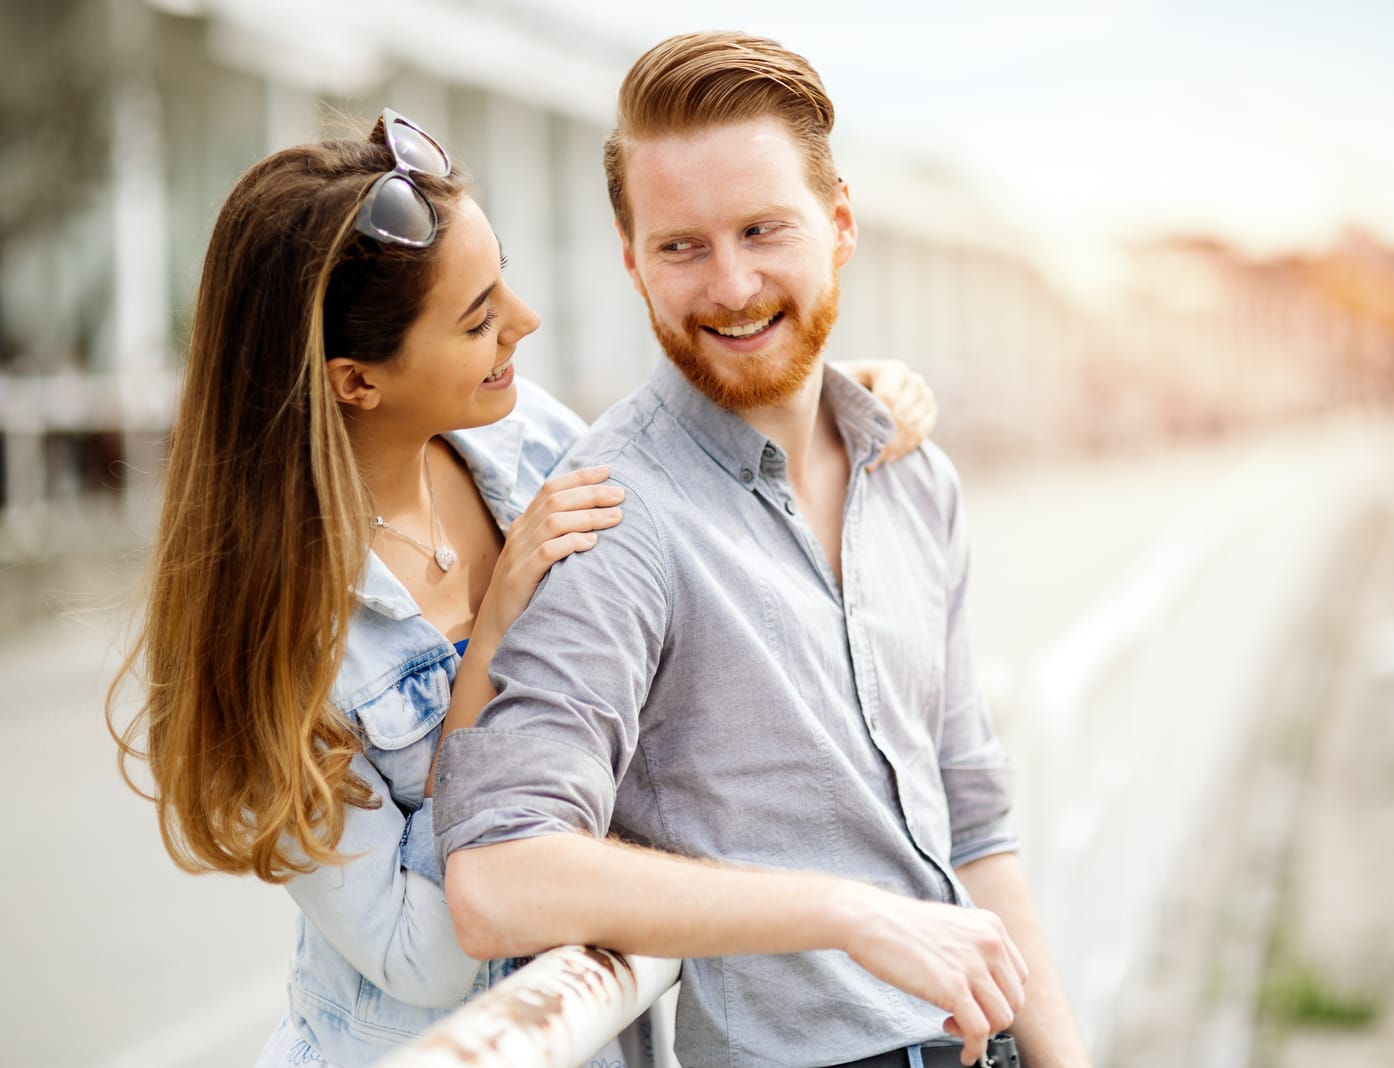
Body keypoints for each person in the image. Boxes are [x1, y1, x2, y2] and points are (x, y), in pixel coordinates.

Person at [106, 107, 938, 1068]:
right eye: (477, 316)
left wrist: (822, 398)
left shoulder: (527, 440)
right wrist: (491, 640)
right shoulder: (270, 646)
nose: (524, 319)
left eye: (499, 274)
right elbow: (422, 952)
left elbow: (689, 474)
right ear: (356, 381)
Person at [433, 31, 1094, 1068]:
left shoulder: (912, 476)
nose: (731, 287)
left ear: (838, 224)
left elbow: (975, 817)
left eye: (761, 229)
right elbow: (496, 878)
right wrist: (846, 912)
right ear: (632, 262)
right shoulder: (612, 520)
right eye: (681, 246)